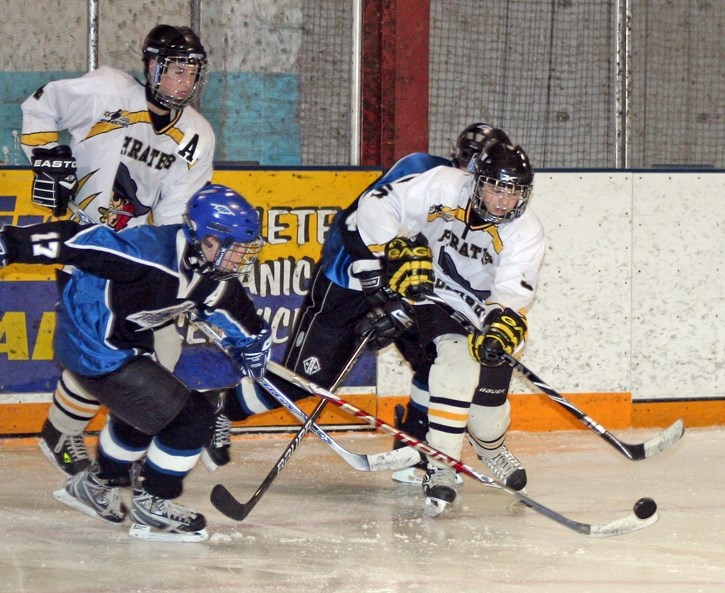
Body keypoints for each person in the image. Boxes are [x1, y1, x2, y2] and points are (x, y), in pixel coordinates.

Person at [0, 184, 270, 541]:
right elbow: (79, 240)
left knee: (144, 413)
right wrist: (12, 243)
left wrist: (253, 343)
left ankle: (96, 485)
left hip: (123, 341)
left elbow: (231, 309)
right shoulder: (149, 252)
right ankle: (154, 505)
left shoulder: (209, 272)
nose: (240, 258)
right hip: (94, 344)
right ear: (207, 239)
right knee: (193, 419)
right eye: (234, 247)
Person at [19, 24, 219, 475]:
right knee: (104, 351)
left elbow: (174, 211)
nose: (182, 82)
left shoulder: (197, 135)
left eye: (191, 74)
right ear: (151, 67)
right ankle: (63, 432)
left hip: (136, 254)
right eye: (173, 71)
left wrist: (174, 268)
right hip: (86, 241)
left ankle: (118, 448)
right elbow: (39, 105)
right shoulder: (107, 89)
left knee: (161, 350)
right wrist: (48, 155)